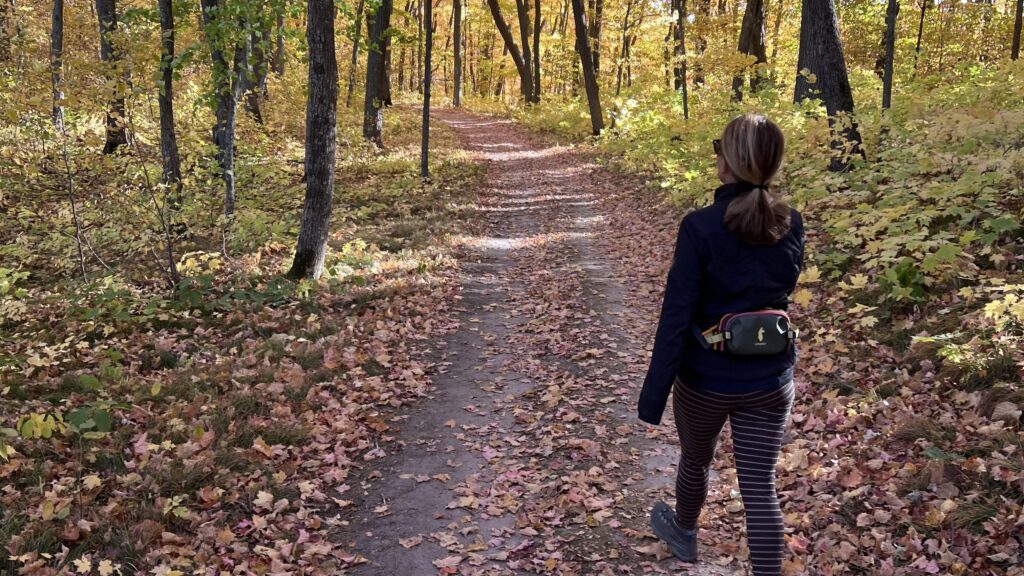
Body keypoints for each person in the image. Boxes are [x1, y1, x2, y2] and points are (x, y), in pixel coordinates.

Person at [637, 113, 804, 576]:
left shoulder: (700, 227)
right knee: (759, 484)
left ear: (729, 162)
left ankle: (685, 533)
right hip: (771, 377)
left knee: (696, 457)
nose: (715, 154)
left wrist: (653, 398)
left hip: (706, 379)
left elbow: (677, 316)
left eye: (719, 147)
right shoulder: (791, 224)